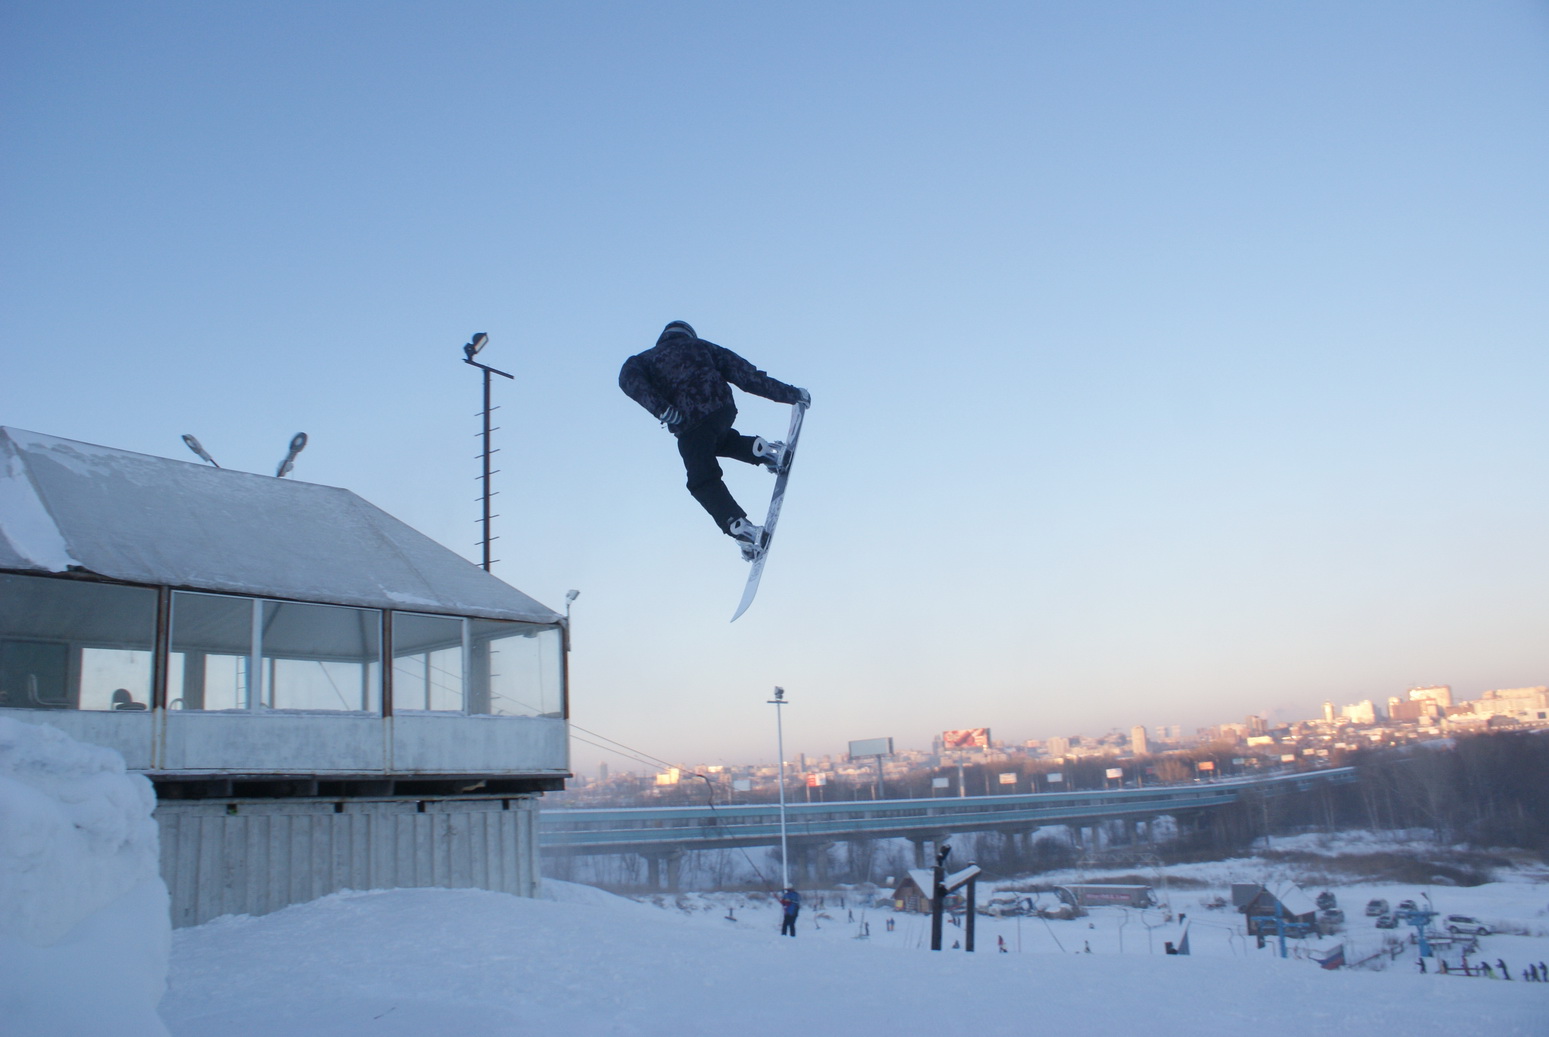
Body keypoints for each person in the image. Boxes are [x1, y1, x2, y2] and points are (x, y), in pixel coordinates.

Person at [620, 321, 810, 559]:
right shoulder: (703, 347)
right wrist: (792, 394)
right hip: (722, 410)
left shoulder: (645, 359)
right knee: (715, 441)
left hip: (688, 421)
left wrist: (660, 408)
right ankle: (764, 451)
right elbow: (747, 376)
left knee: (701, 479)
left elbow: (627, 377)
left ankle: (742, 530)